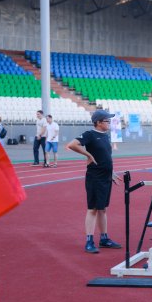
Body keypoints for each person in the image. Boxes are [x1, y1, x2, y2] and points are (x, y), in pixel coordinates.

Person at [66, 109, 122, 254]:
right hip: (95, 177)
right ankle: (89, 241)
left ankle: (104, 238)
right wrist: (87, 154)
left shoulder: (105, 136)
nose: (109, 123)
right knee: (93, 209)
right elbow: (72, 145)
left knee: (103, 209)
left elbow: (105, 156)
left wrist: (111, 172)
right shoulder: (89, 134)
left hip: (106, 176)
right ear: (98, 122)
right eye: (107, 121)